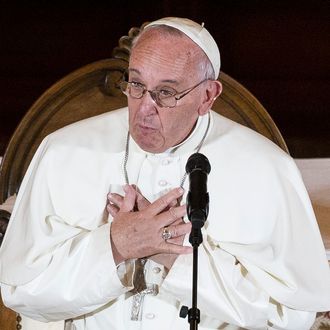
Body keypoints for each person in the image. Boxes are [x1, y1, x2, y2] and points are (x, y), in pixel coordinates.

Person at [0, 17, 329, 330]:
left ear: (207, 96)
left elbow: (292, 315)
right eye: (137, 85)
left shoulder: (265, 168)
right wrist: (116, 245)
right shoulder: (64, 152)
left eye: (166, 93)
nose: (144, 108)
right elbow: (20, 290)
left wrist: (170, 254)